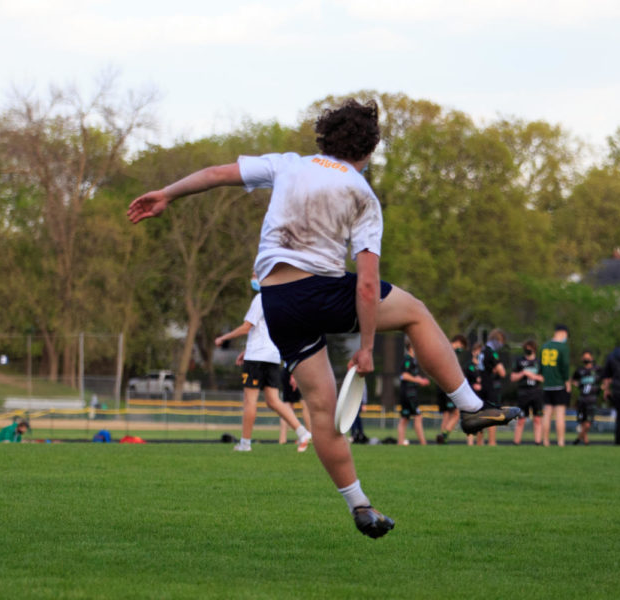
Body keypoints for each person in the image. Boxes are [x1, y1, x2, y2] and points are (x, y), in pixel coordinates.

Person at [128, 98, 521, 538]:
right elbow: (368, 286)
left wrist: (167, 193)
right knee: (415, 313)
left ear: (324, 137)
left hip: (276, 303)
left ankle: (360, 506)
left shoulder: (287, 164)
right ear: (369, 150)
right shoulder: (361, 192)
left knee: (322, 408)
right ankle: (470, 407)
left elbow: (217, 174)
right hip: (320, 291)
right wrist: (367, 347)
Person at [214, 275, 312, 453]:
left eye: (255, 274)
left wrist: (223, 338)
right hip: (272, 357)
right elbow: (266, 331)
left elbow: (246, 327)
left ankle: (245, 443)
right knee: (273, 400)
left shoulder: (260, 298)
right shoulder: (278, 299)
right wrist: (246, 351)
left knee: (250, 401)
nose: (252, 278)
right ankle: (303, 432)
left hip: (257, 358)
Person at [539, 324, 571, 447]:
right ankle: (560, 441)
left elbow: (540, 367)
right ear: (563, 333)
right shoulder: (563, 347)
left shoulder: (544, 346)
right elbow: (565, 366)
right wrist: (567, 381)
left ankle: (545, 441)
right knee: (560, 414)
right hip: (559, 384)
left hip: (547, 385)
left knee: (547, 414)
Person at [478, 329, 509, 446]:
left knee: (481, 416)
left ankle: (479, 442)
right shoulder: (492, 352)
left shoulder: (482, 350)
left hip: (481, 387)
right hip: (490, 386)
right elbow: (503, 372)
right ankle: (492, 442)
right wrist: (496, 370)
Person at [510, 339, 544, 445]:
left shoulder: (539, 362)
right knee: (521, 419)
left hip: (536, 392)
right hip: (523, 393)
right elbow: (512, 377)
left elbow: (543, 378)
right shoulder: (519, 361)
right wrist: (523, 373)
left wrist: (532, 375)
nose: (528, 350)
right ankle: (516, 442)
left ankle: (538, 442)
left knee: (537, 419)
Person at [397, 341, 430, 446]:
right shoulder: (408, 360)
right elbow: (404, 375)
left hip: (408, 392)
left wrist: (421, 380)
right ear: (411, 347)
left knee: (404, 418)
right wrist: (419, 381)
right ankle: (423, 444)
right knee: (418, 416)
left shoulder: (414, 361)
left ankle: (400, 443)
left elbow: (412, 376)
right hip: (409, 393)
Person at [435, 334, 466, 444]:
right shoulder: (450, 352)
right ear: (458, 341)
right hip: (448, 386)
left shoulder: (443, 348)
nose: (461, 349)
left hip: (440, 385)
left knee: (446, 414)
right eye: (461, 345)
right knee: (456, 413)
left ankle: (442, 440)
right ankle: (444, 435)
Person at [571, 350, 601, 446]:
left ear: (592, 358)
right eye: (584, 357)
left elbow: (605, 378)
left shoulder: (597, 369)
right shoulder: (579, 370)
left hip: (592, 399)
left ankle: (578, 439)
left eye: (588, 357)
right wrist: (577, 385)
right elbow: (573, 380)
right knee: (582, 421)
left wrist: (603, 387)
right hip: (582, 399)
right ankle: (586, 441)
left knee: (588, 423)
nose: (586, 359)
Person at [279, 367, 304, 444]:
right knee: (288, 406)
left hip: (294, 371)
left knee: (306, 405)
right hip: (293, 371)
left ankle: (308, 436)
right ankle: (282, 439)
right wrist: (293, 375)